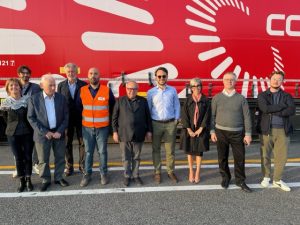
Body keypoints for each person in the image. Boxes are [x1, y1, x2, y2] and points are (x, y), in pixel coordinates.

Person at [210, 72, 252, 193]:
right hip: (220, 132)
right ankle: (225, 178)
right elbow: (212, 116)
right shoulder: (216, 98)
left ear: (235, 82)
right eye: (227, 79)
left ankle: (240, 180)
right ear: (223, 81)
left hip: (237, 133)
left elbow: (247, 117)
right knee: (222, 157)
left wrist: (248, 134)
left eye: (232, 80)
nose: (229, 81)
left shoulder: (241, 99)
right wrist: (212, 131)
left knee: (240, 158)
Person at [27, 74, 69, 192]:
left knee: (60, 157)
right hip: (42, 135)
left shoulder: (61, 98)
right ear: (42, 86)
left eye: (54, 85)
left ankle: (59, 177)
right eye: (50, 85)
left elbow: (66, 117)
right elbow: (31, 118)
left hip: (58, 133)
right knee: (43, 159)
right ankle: (45, 179)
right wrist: (45, 132)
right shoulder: (34, 99)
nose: (53, 88)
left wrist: (60, 131)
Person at [257, 71, 295, 192]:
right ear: (270, 79)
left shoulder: (287, 96)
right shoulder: (262, 95)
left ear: (282, 81)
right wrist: (282, 106)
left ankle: (277, 180)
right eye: (274, 78)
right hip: (267, 130)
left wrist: (275, 111)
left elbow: (291, 110)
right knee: (265, 155)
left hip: (283, 130)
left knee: (281, 157)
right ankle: (266, 176)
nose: (276, 81)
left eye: (279, 79)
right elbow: (265, 108)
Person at [79, 67, 115, 187]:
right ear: (87, 76)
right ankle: (87, 174)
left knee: (102, 152)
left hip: (102, 128)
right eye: (91, 73)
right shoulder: (82, 90)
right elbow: (78, 108)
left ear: (99, 76)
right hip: (87, 128)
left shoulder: (106, 90)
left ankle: (104, 173)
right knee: (88, 152)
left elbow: (113, 108)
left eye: (95, 73)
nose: (93, 75)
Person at [112, 81, 152, 187]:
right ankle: (127, 176)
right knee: (125, 157)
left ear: (137, 90)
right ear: (126, 89)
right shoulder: (120, 101)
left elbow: (148, 117)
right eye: (129, 88)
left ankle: (135, 175)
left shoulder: (143, 101)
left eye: (134, 89)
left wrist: (149, 131)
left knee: (136, 157)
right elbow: (114, 118)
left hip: (139, 133)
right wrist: (115, 132)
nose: (132, 91)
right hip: (124, 134)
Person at [147, 67, 181, 184]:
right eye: (159, 76)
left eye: (164, 76)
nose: (161, 78)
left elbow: (177, 105)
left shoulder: (173, 90)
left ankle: (170, 171)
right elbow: (149, 109)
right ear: (155, 77)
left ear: (167, 77)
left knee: (170, 150)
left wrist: (176, 120)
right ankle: (157, 172)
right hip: (156, 124)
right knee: (155, 149)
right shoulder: (151, 92)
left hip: (170, 124)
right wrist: (149, 126)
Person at [1, 79, 34, 192]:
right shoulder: (5, 102)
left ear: (20, 87)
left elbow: (31, 116)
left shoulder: (27, 100)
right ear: (8, 89)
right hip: (13, 134)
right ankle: (22, 181)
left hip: (27, 133)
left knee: (28, 157)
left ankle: (29, 179)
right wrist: (12, 127)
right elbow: (5, 118)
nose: (14, 87)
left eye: (16, 85)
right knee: (18, 158)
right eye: (11, 86)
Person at [57, 63, 87, 176]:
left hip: (81, 118)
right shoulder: (60, 85)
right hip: (66, 119)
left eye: (73, 71)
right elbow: (59, 103)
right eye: (68, 71)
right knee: (67, 143)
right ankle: (69, 166)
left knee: (82, 142)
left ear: (77, 72)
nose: (71, 73)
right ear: (65, 72)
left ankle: (82, 166)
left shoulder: (84, 85)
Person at [181, 78, 210, 183]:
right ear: (191, 88)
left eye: (198, 85)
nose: (196, 88)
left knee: (199, 152)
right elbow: (184, 116)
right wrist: (189, 129)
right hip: (189, 129)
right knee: (189, 151)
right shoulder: (188, 100)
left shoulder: (205, 100)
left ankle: (197, 172)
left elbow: (207, 116)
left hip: (201, 129)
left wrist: (201, 129)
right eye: (194, 86)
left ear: (201, 86)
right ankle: (191, 171)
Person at [17, 65, 41, 176]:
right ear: (19, 74)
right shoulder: (15, 85)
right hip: (19, 120)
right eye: (23, 73)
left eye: (27, 73)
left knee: (35, 141)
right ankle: (20, 167)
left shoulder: (35, 87)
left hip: (32, 119)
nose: (25, 75)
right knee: (20, 144)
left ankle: (35, 164)